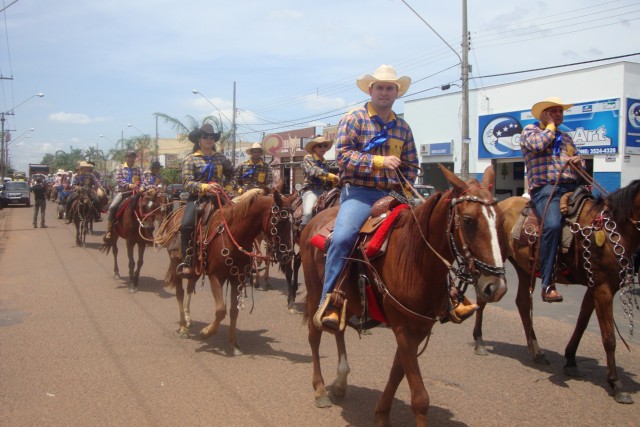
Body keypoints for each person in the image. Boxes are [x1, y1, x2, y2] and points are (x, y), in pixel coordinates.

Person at [316, 64, 419, 330]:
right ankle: (330, 301)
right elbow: (343, 157)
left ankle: (444, 297)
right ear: (371, 90)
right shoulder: (355, 118)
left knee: (426, 232)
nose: (385, 92)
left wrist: (407, 191)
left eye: (390, 88)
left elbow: (410, 163)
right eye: (380, 88)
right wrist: (378, 161)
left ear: (397, 93)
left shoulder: (403, 127)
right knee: (342, 238)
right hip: (360, 193)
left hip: (394, 194)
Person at [520, 97, 585, 303]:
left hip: (571, 187)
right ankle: (547, 283)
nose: (558, 114)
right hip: (546, 190)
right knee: (553, 224)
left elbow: (579, 158)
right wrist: (549, 127)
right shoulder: (530, 131)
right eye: (553, 111)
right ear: (544, 114)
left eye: (560, 111)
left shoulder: (566, 137)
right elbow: (539, 145)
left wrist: (578, 161)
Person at [178, 123, 235, 277]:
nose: (209, 140)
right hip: (198, 198)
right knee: (186, 224)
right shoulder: (190, 159)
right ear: (199, 139)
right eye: (205, 137)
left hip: (220, 197)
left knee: (240, 218)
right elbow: (186, 183)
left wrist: (228, 188)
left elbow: (232, 174)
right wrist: (205, 187)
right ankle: (187, 260)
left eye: (211, 137)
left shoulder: (221, 158)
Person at [104, 151, 143, 242]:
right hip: (123, 193)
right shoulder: (120, 168)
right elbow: (118, 179)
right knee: (113, 207)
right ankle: (109, 230)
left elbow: (143, 180)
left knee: (147, 205)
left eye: (133, 157)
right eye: (130, 157)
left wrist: (141, 187)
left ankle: (146, 231)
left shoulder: (138, 169)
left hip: (136, 193)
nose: (132, 159)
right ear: (126, 158)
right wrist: (129, 185)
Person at [300, 135, 338, 228]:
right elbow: (313, 171)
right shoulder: (308, 158)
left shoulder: (325, 162)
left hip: (325, 191)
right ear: (314, 148)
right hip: (311, 190)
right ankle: (302, 232)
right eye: (320, 146)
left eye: (325, 146)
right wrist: (330, 176)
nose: (323, 148)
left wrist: (334, 182)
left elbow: (328, 180)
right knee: (308, 212)